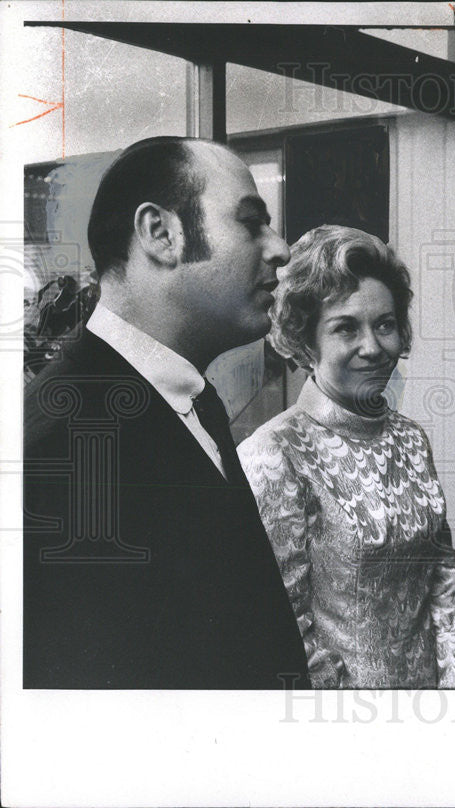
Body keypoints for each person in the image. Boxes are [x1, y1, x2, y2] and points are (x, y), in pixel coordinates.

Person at [23, 136, 310, 688]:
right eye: (251, 223)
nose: (281, 248)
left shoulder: (190, 398)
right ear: (159, 234)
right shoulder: (62, 446)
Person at [237, 224, 455, 688]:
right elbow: (284, 625)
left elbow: (443, 573)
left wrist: (452, 692)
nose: (373, 347)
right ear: (306, 340)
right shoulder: (274, 453)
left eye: (384, 324)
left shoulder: (410, 438)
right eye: (346, 328)